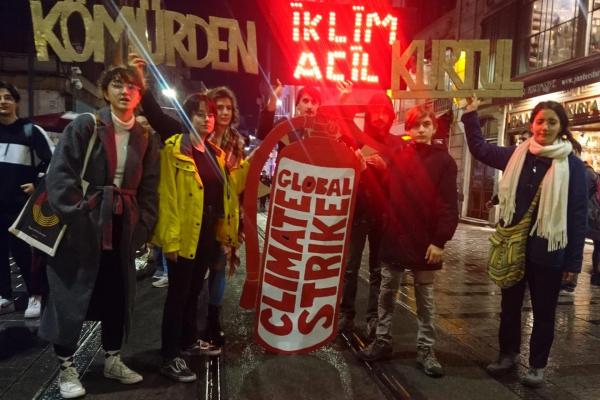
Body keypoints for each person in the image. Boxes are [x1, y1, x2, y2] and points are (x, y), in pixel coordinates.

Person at [39, 66, 160, 399]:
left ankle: (112, 359)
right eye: (117, 85)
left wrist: (144, 224)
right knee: (71, 291)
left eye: (132, 87)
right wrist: (77, 216)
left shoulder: (145, 136)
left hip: (123, 225)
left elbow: (150, 187)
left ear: (140, 94)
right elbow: (60, 174)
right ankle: (66, 366)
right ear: (105, 92)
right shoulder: (86, 124)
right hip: (84, 224)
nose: (124, 91)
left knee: (117, 294)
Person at [461, 98, 587, 387]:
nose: (545, 127)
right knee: (509, 305)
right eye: (540, 121)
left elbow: (577, 217)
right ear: (532, 124)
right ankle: (508, 354)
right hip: (514, 249)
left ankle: (538, 365)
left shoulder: (573, 167)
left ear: (562, 127)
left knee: (544, 311)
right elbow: (480, 149)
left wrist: (573, 263)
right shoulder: (518, 155)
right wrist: (470, 115)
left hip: (550, 252)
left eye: (552, 122)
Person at [358, 105, 458, 380]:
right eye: (416, 125)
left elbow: (449, 205)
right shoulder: (401, 155)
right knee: (386, 293)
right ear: (409, 129)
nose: (421, 129)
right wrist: (374, 170)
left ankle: (426, 349)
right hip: (395, 237)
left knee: (425, 299)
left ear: (433, 128)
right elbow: (389, 189)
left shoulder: (445, 161)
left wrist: (440, 241)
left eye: (426, 124)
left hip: (425, 241)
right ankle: (383, 341)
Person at [153, 93, 248, 382]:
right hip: (184, 233)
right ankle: (169, 355)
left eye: (209, 114)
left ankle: (188, 341)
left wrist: (224, 232)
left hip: (207, 232)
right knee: (178, 295)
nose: (206, 118)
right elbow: (166, 196)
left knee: (194, 292)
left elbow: (226, 194)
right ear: (188, 116)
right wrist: (169, 240)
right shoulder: (174, 149)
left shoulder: (214, 153)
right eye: (199, 113)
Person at [338, 92, 397, 339]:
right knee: (350, 267)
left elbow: (405, 182)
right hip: (358, 211)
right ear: (369, 114)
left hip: (383, 216)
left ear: (391, 116)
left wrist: (386, 171)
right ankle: (346, 315)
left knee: (377, 270)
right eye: (376, 112)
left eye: (385, 112)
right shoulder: (354, 139)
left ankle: (373, 317)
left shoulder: (396, 145)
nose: (381, 117)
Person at [0, 80, 53, 317]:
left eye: (8, 97)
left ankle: (36, 295)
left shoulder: (30, 131)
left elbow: (53, 162)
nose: (3, 101)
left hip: (21, 206)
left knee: (25, 254)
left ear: (16, 103)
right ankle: (5, 296)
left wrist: (38, 185)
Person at [201, 86, 247, 352]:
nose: (225, 113)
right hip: (200, 213)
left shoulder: (237, 141)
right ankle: (193, 321)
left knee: (219, 268)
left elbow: (239, 181)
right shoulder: (198, 139)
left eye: (229, 108)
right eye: (219, 108)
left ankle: (212, 321)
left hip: (227, 214)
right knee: (196, 272)